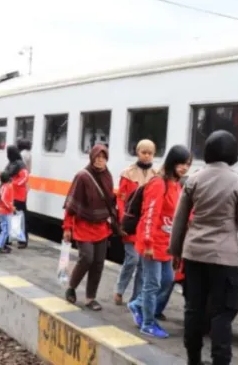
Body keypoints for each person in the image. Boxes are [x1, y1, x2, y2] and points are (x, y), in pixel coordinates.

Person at [170, 130, 238, 365]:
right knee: (222, 314)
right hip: (225, 259)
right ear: (233, 154)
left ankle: (193, 359)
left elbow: (179, 221)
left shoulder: (193, 180)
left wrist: (176, 252)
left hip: (194, 254)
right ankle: (220, 361)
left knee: (194, 309)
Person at [128, 145, 191, 339]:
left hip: (166, 243)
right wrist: (147, 243)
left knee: (167, 279)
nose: (184, 168)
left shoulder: (177, 185)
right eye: (181, 163)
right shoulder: (158, 183)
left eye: (187, 164)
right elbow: (150, 214)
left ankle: (138, 304)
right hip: (152, 242)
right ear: (172, 162)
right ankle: (147, 323)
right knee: (152, 283)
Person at [63, 144, 116, 311]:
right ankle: (71, 287)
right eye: (97, 157)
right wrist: (67, 228)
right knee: (87, 258)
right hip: (83, 225)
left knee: (98, 263)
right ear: (92, 158)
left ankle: (90, 298)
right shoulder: (82, 177)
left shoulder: (108, 176)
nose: (100, 160)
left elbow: (110, 202)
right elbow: (71, 206)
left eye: (103, 157)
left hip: (101, 226)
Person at [114, 139, 159, 306]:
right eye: (143, 152)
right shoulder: (127, 174)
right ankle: (119, 290)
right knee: (132, 259)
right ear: (137, 153)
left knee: (142, 263)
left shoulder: (156, 175)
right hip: (131, 223)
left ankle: (136, 297)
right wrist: (122, 222)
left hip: (146, 224)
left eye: (150, 153)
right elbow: (120, 200)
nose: (147, 156)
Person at [5, 145, 29, 248]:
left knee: (20, 218)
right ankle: (10, 238)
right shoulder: (11, 164)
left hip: (19, 196)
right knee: (12, 218)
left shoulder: (20, 165)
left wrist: (13, 183)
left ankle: (22, 240)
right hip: (12, 195)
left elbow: (25, 177)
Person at [0, 171, 14, 254]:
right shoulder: (8, 187)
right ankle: (0, 246)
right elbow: (4, 199)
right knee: (5, 230)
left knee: (4, 229)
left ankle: (2, 245)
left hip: (1, 210)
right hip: (5, 211)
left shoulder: (2, 186)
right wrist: (11, 207)